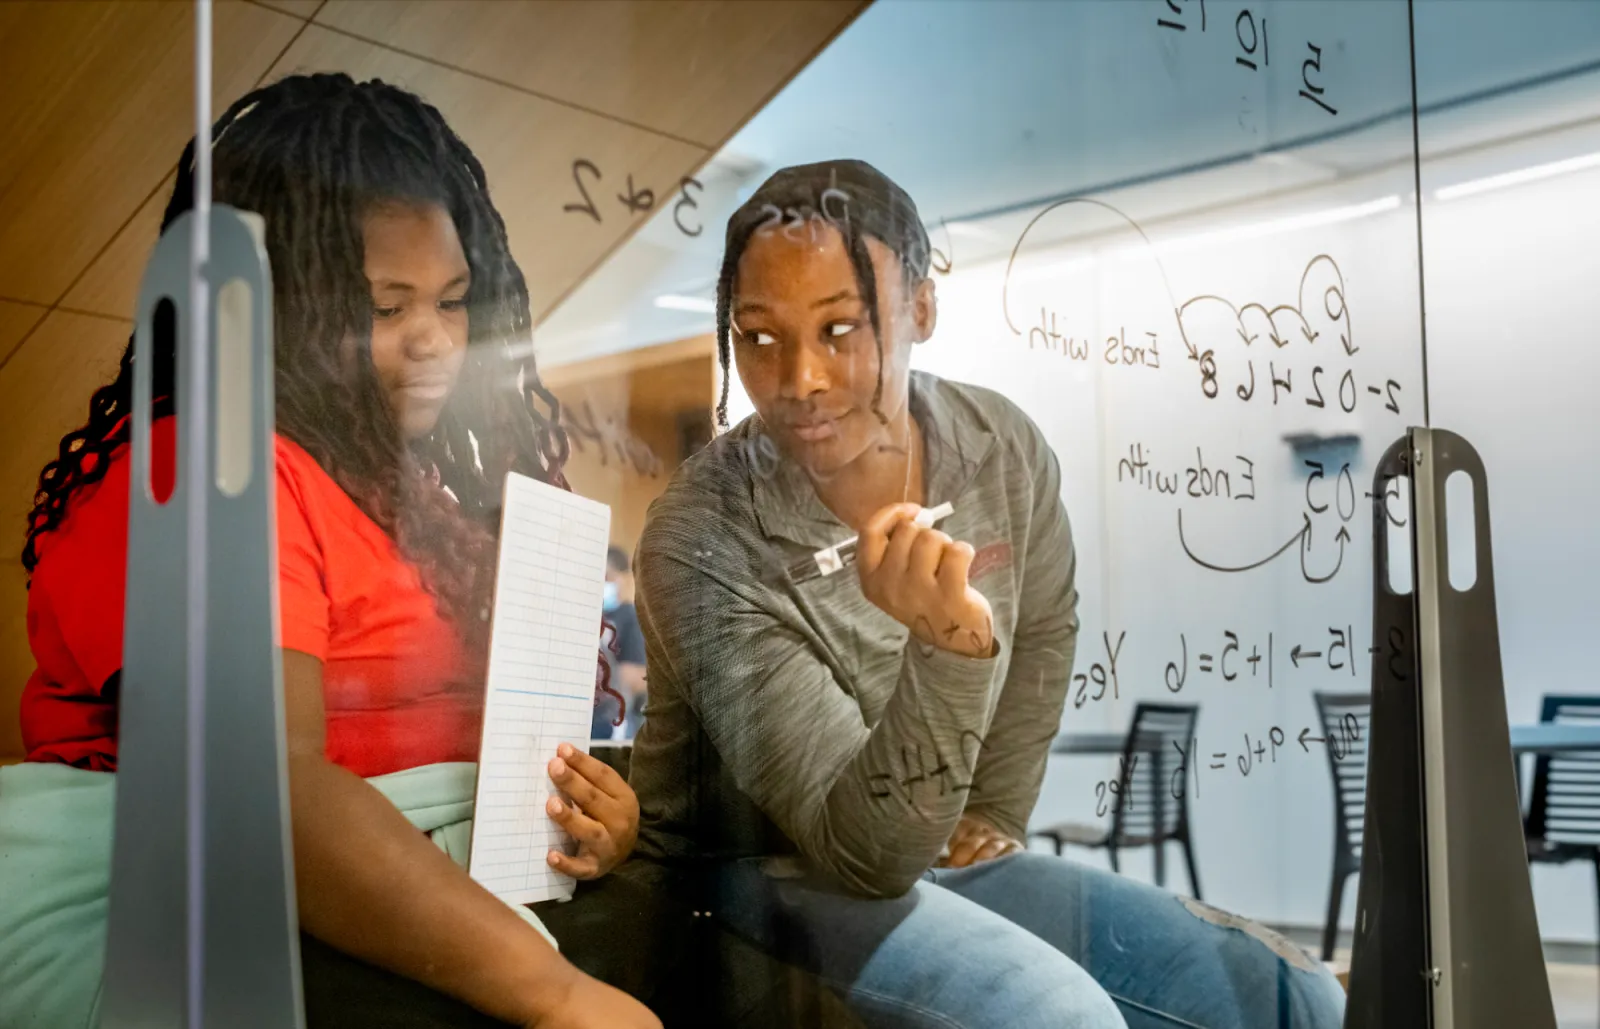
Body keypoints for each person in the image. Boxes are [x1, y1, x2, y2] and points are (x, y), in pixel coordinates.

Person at [0, 73, 658, 1029]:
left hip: (410, 895)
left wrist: (591, 818)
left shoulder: (414, 493)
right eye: (385, 309)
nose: (434, 340)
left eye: (452, 300)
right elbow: (268, 796)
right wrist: (558, 996)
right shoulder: (204, 470)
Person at [626, 160, 1348, 1028]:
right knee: (1061, 1016)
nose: (800, 379)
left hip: (922, 851)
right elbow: (862, 858)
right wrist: (948, 646)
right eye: (759, 337)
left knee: (1292, 995)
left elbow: (1045, 623)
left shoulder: (998, 445)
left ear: (921, 310)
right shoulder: (702, 533)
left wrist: (997, 806)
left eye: (842, 329)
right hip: (742, 878)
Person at [592, 545, 648, 741]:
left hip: (610, 718)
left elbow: (634, 674)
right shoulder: (590, 613)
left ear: (623, 578)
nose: (603, 583)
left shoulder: (629, 616)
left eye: (608, 577)